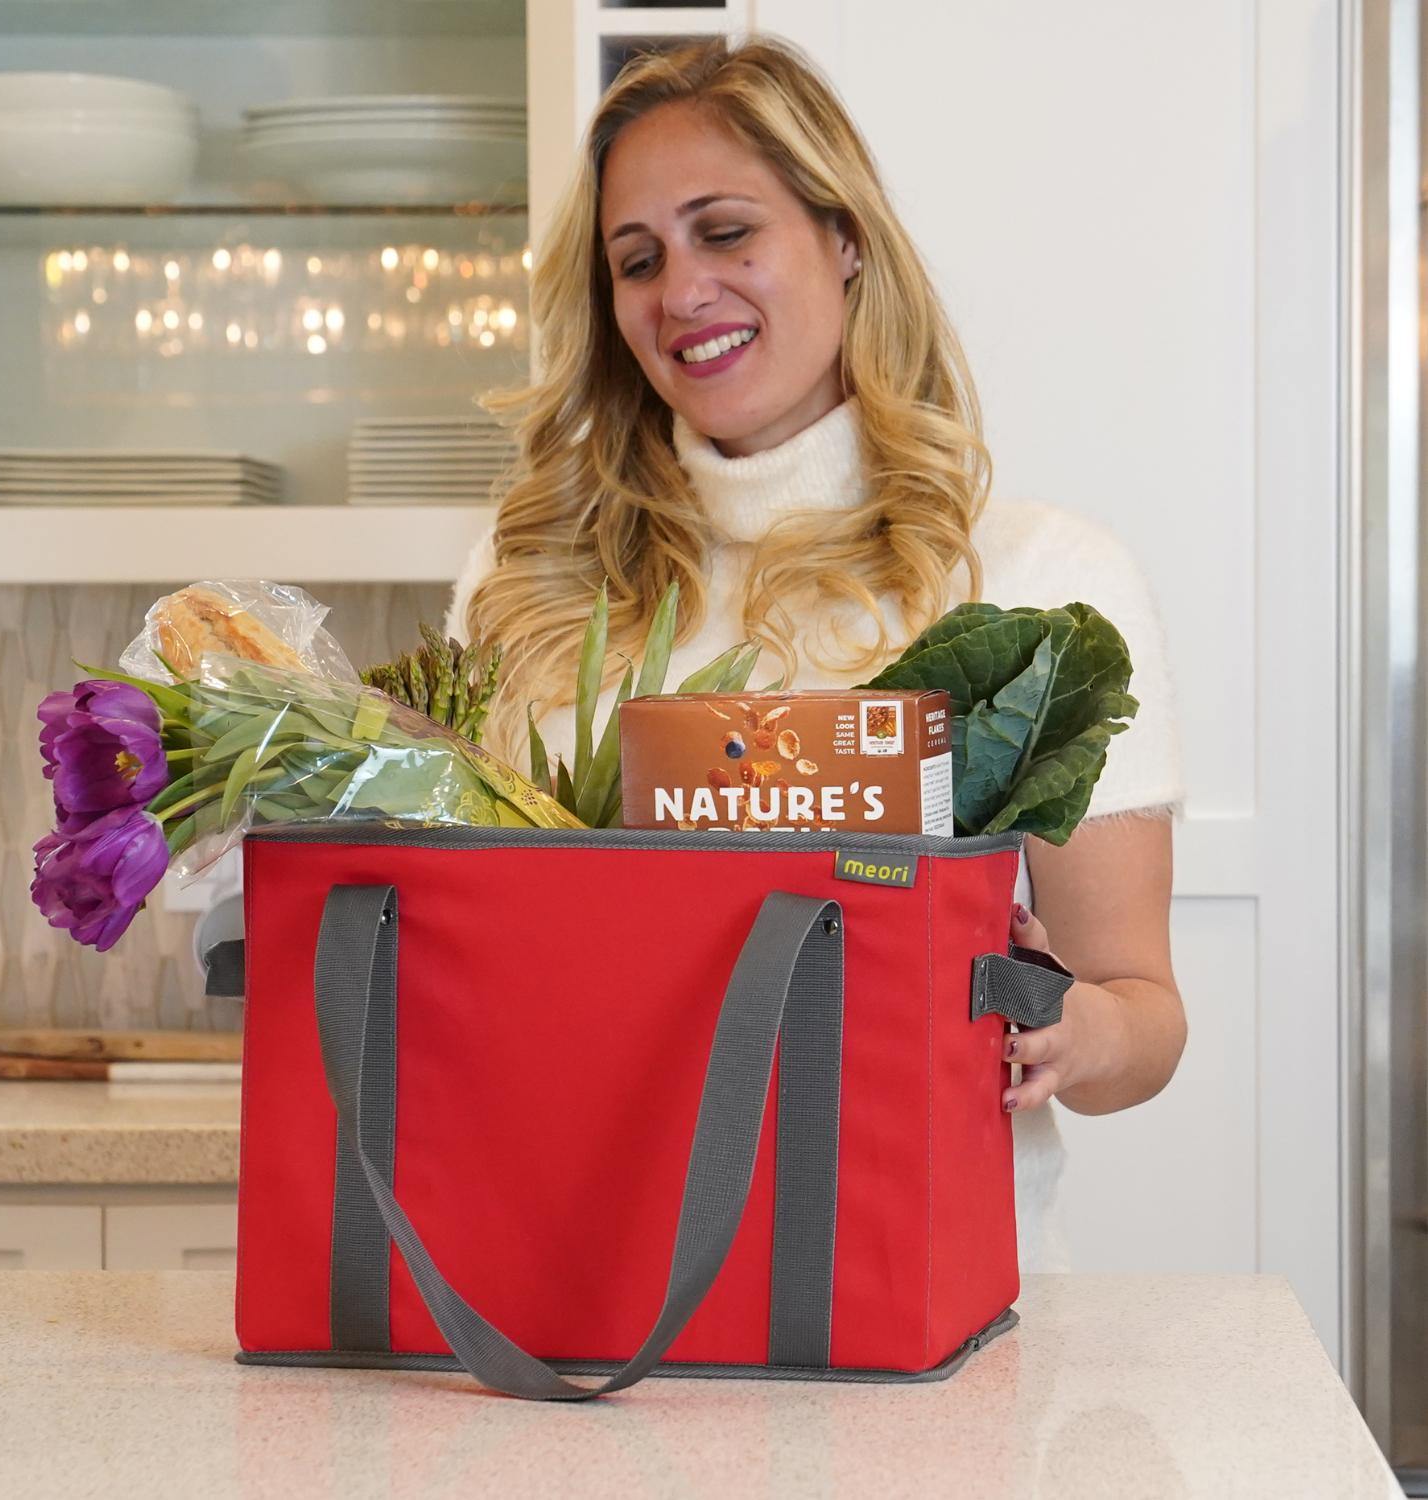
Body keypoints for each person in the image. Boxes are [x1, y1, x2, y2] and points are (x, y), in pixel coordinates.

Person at [444, 34, 1186, 1271]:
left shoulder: (1044, 586)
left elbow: (1142, 1016)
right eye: (638, 260)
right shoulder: (523, 585)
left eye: (725, 232)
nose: (680, 290)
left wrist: (1067, 1030)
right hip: (565, 1275)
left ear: (845, 241)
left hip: (911, 1285)